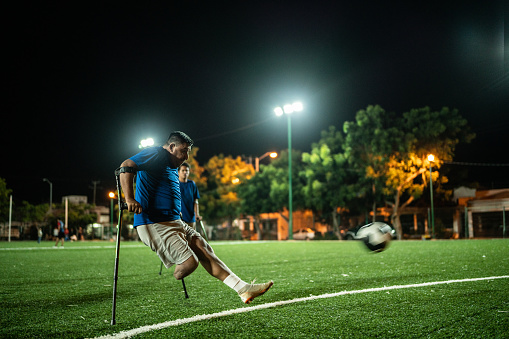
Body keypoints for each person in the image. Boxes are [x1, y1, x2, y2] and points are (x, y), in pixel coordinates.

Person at [118, 131, 273, 304]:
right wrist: (129, 198)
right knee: (189, 264)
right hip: (154, 223)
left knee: (204, 248)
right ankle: (178, 268)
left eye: (188, 152)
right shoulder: (156, 153)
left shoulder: (171, 163)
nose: (186, 157)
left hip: (175, 221)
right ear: (171, 147)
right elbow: (126, 165)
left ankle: (243, 289)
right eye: (183, 151)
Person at [178, 162, 201, 230]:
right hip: (179, 219)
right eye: (183, 170)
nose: (185, 172)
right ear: (178, 172)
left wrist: (197, 214)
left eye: (187, 170)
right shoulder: (175, 185)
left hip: (191, 218)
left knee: (192, 239)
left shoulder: (192, 184)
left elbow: (195, 201)